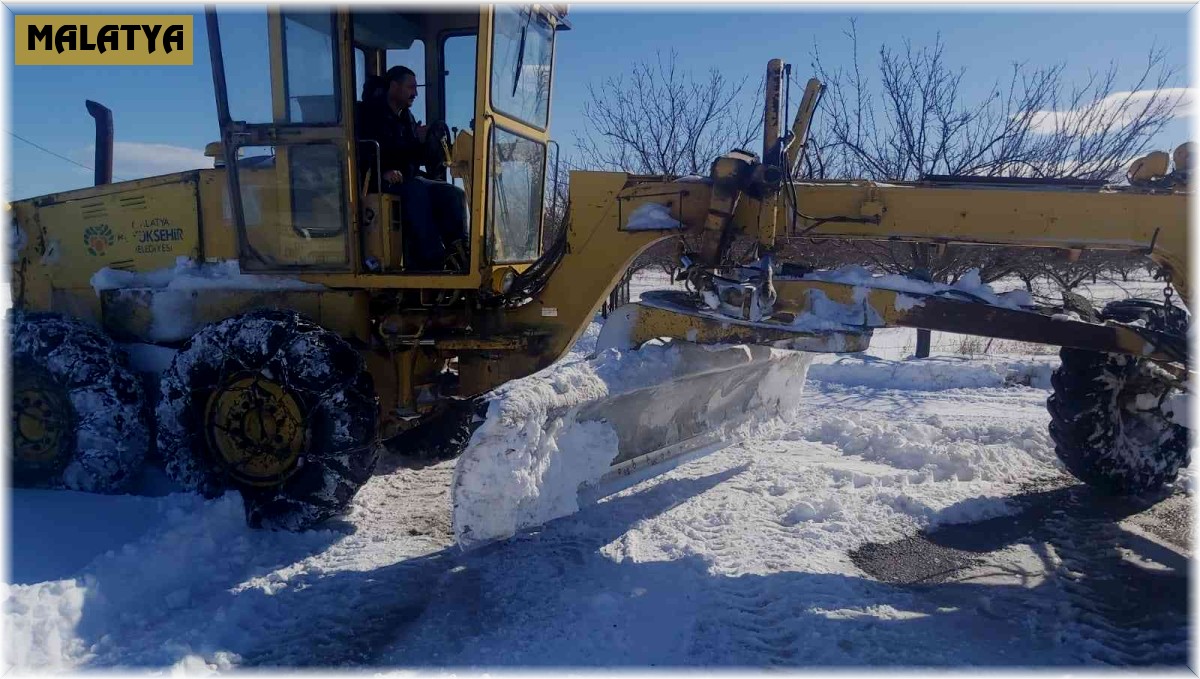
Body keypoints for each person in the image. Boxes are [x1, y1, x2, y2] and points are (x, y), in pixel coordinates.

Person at [358, 65, 467, 271]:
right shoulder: (368, 115)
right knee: (416, 191)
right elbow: (358, 153)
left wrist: (424, 142)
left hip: (406, 177)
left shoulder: (406, 117)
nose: (415, 93)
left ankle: (459, 252)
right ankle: (432, 259)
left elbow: (409, 155)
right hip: (375, 179)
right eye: (411, 87)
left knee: (452, 193)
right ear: (394, 86)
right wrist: (383, 173)